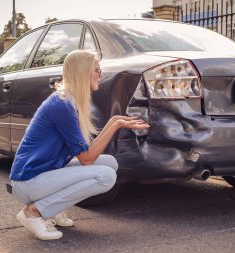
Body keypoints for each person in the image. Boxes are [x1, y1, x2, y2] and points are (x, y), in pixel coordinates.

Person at [9, 50, 150, 240]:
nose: (101, 75)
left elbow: (87, 155)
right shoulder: (62, 105)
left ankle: (52, 208)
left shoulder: (70, 101)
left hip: (45, 173)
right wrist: (115, 123)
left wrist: (115, 120)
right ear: (83, 73)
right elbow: (87, 158)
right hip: (28, 181)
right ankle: (34, 212)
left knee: (110, 164)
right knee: (106, 176)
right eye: (97, 71)